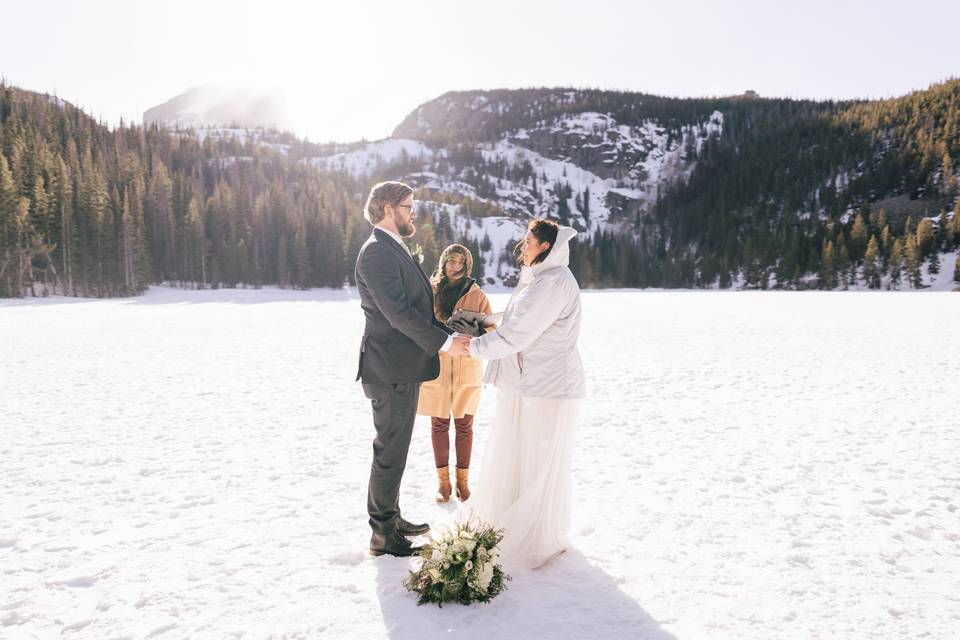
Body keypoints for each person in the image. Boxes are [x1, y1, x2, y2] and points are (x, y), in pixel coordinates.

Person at [454, 218, 585, 570]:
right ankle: (521, 526)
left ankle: (537, 537)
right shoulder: (542, 280)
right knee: (524, 456)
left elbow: (520, 333)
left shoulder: (552, 283)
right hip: (531, 383)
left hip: (546, 386)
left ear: (545, 247)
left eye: (528, 241)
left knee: (537, 461)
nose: (522, 247)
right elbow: (518, 320)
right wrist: (483, 323)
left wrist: (473, 347)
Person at [354, 181, 469, 558]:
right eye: (408, 205)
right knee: (389, 451)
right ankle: (383, 535)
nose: (413, 211)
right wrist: (445, 343)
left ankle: (392, 518)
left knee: (396, 450)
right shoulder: (376, 253)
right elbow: (398, 315)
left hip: (400, 367)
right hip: (389, 370)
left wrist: (451, 331)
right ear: (388, 208)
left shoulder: (393, 249)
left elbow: (416, 311)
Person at [416, 244, 493, 503]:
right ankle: (443, 484)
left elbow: (491, 330)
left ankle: (463, 483)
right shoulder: (431, 289)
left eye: (460, 262)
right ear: (443, 261)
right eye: (451, 260)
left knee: (465, 426)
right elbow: (419, 325)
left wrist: (474, 332)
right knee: (438, 425)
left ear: (467, 265)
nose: (455, 266)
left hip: (466, 367)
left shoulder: (477, 294)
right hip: (436, 366)